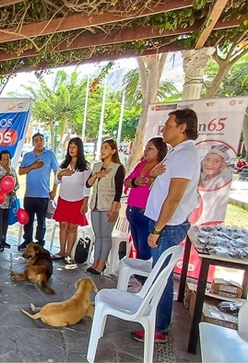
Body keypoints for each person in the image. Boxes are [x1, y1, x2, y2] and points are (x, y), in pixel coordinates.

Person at [134, 109, 200, 344]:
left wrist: (157, 229)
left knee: (161, 276)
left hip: (167, 226)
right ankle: (154, 317)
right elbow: (160, 184)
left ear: (183, 128)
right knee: (157, 273)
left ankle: (159, 326)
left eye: (169, 125)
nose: (164, 128)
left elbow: (174, 198)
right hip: (162, 223)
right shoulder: (176, 153)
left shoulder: (185, 155)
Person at [124, 137, 168, 261]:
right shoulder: (141, 165)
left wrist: (150, 178)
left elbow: (160, 189)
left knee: (145, 250)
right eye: (146, 148)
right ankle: (139, 277)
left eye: (150, 149)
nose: (146, 151)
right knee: (137, 247)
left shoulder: (161, 168)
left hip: (146, 214)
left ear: (160, 151)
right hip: (132, 210)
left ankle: (144, 278)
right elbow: (126, 181)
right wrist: (134, 181)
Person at [85, 139, 125, 274]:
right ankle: (95, 262)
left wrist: (114, 210)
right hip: (95, 205)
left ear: (113, 151)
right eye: (102, 147)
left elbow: (118, 192)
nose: (102, 150)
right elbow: (88, 184)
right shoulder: (96, 166)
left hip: (108, 207)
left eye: (106, 147)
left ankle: (102, 264)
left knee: (105, 236)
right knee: (98, 236)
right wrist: (97, 175)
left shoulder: (118, 168)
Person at [18, 133, 58, 250]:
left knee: (41, 221)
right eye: (36, 140)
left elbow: (57, 173)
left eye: (41, 140)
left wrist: (54, 189)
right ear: (33, 142)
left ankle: (39, 242)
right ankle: (27, 240)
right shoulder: (27, 156)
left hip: (43, 194)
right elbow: (20, 171)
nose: (39, 142)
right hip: (29, 194)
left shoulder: (50, 155)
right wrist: (33, 166)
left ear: (44, 142)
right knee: (28, 220)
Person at [53, 138, 91, 263]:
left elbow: (87, 186)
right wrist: (61, 174)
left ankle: (69, 253)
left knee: (73, 227)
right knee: (63, 225)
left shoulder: (85, 167)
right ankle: (61, 251)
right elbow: (57, 181)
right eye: (70, 146)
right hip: (64, 199)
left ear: (79, 149)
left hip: (78, 200)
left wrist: (85, 203)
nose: (72, 149)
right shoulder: (62, 165)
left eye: (74, 147)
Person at [0, 150, 19, 251]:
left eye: (8, 158)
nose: (6, 161)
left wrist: (13, 190)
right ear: (0, 160)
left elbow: (17, 184)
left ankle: (4, 239)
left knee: (5, 222)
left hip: (9, 201)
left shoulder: (12, 170)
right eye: (4, 159)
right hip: (0, 202)